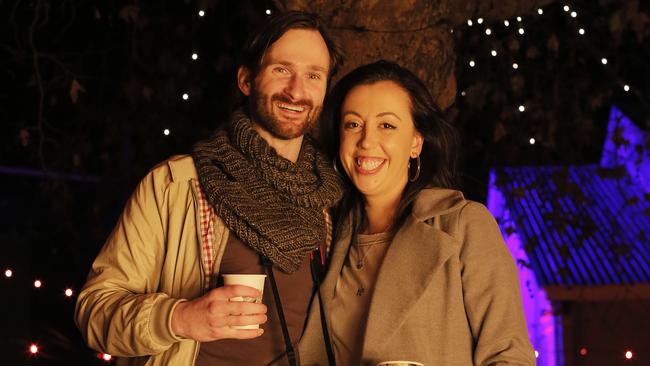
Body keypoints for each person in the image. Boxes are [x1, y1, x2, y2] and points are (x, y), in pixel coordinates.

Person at [75, 11, 345, 366]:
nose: (297, 90)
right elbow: (94, 312)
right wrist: (181, 318)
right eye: (282, 69)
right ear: (246, 80)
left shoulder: (330, 199)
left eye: (313, 75)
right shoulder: (178, 185)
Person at [298, 60, 536, 366]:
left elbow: (510, 356)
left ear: (416, 142)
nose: (366, 141)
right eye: (353, 124)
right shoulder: (329, 234)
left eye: (387, 125)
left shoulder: (463, 225)